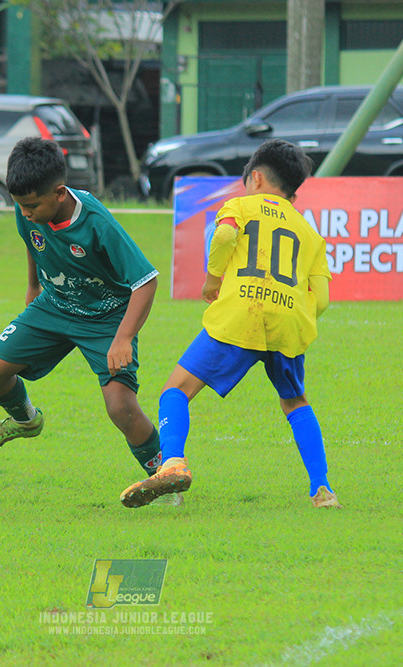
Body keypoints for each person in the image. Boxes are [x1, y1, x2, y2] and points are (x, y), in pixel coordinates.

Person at [119, 138, 340, 509]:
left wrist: (212, 279)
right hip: (287, 323)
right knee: (295, 401)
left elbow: (224, 235)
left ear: (256, 178)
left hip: (241, 314)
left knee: (176, 390)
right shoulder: (310, 233)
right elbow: (322, 298)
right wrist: (293, 317)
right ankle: (322, 489)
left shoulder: (239, 205)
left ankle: (172, 463)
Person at [0, 137, 174, 501]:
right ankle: (26, 420)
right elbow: (33, 241)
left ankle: (164, 477)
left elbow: (146, 282)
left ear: (60, 193)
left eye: (32, 205)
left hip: (106, 318)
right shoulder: (28, 207)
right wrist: (33, 286)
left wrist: (123, 338)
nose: (25, 212)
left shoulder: (96, 222)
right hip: (55, 304)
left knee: (121, 408)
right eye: (20, 205)